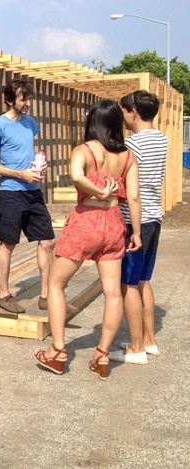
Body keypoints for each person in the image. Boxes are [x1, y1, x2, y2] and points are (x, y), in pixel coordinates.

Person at [34, 99, 142, 380]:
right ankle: (102, 355)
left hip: (86, 222)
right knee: (113, 293)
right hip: (115, 225)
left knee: (56, 284)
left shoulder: (83, 150)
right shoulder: (128, 157)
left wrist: (99, 191)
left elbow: (76, 177)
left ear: (92, 122)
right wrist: (137, 233)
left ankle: (57, 352)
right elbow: (132, 197)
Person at [0, 78, 62, 315]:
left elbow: (30, 151)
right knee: (9, 243)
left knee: (47, 241)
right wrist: (20, 174)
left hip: (33, 191)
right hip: (10, 192)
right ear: (9, 100)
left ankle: (46, 294)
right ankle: (4, 294)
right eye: (22, 98)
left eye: (29, 98)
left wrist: (40, 166)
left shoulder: (30, 123)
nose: (27, 103)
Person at [109, 90, 168, 365]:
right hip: (154, 218)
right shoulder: (161, 139)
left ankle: (135, 348)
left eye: (123, 110)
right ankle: (148, 341)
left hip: (136, 221)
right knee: (143, 280)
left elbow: (127, 188)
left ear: (133, 111)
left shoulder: (133, 146)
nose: (122, 116)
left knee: (128, 284)